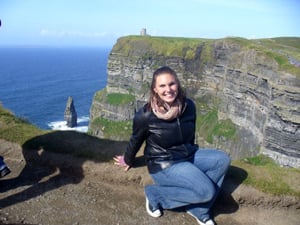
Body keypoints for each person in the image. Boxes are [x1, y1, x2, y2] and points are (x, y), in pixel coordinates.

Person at [114, 66, 231, 225]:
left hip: (188, 155)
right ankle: (155, 194)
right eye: (162, 86)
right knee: (206, 191)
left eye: (172, 84)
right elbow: (136, 139)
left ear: (178, 85)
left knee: (222, 159)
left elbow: (191, 133)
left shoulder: (188, 106)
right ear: (155, 89)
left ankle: (199, 209)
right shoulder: (145, 115)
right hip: (165, 163)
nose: (168, 89)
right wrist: (128, 160)